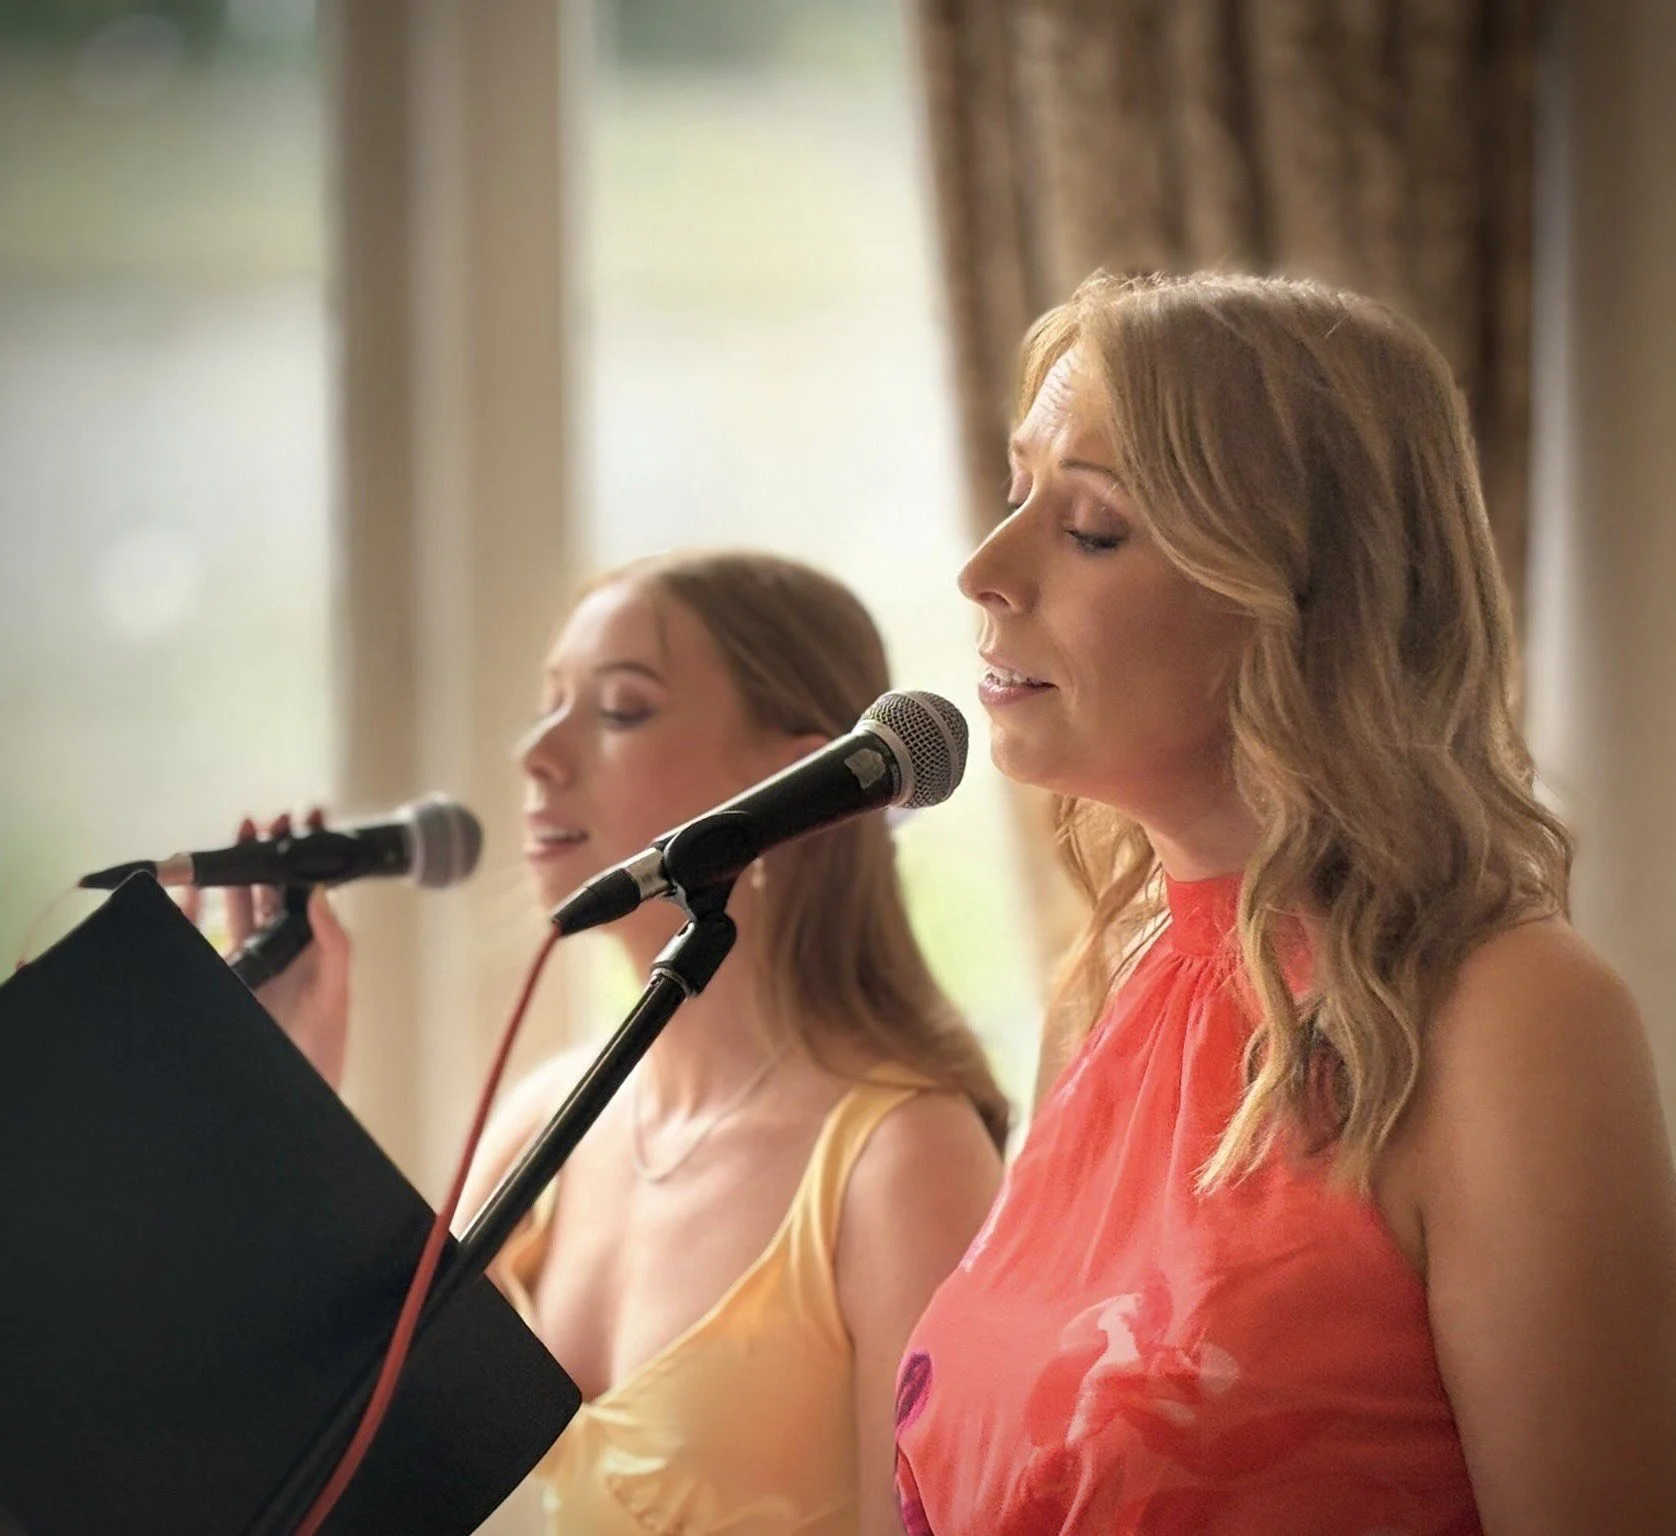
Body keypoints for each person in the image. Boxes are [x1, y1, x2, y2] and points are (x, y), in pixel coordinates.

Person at [893, 271, 1676, 1535]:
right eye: (1011, 494)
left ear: (1303, 599)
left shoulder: (1508, 1017)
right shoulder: (1104, 986)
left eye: (1089, 526)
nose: (984, 570)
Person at [211, 550, 1007, 1535]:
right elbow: (341, 1466)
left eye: (619, 709)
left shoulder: (900, 1161)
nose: (536, 753)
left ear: (800, 784)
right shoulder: (545, 1122)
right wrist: (288, 1092)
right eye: (550, 702)